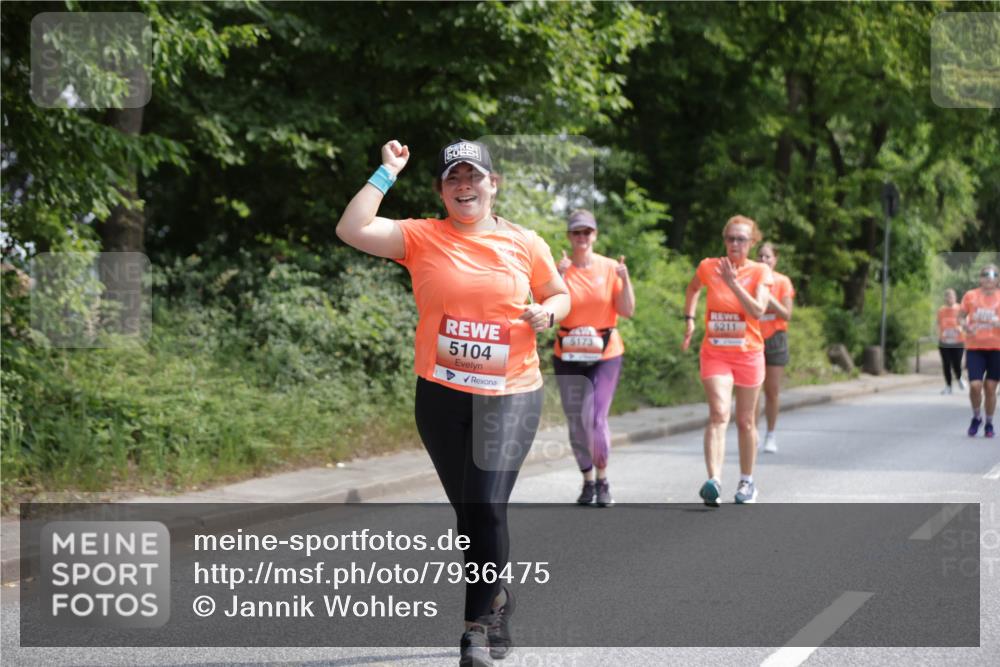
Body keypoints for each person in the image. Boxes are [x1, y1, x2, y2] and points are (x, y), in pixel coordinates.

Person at [336, 138, 570, 666]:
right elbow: (351, 229)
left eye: (474, 176)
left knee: (486, 504)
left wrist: (549, 312)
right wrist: (386, 171)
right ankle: (498, 598)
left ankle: (476, 630)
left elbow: (559, 292)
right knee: (469, 515)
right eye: (453, 179)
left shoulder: (524, 241)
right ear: (442, 189)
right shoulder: (422, 237)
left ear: (494, 184)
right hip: (440, 395)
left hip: (509, 392)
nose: (465, 186)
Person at [681, 215, 773, 505]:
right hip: (716, 351)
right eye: (730, 238)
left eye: (741, 239)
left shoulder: (760, 271)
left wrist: (734, 285)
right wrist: (690, 319)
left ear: (752, 242)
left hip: (748, 354)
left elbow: (758, 311)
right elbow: (693, 288)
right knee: (719, 413)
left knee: (745, 420)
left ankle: (747, 482)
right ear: (725, 240)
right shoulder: (709, 266)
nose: (735, 243)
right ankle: (714, 481)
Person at [553, 209, 635, 507]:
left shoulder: (611, 268)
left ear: (595, 235)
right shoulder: (560, 269)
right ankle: (587, 481)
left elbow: (627, 310)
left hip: (605, 352)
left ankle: (603, 480)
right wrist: (558, 276)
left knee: (596, 417)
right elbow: (548, 312)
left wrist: (626, 281)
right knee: (576, 420)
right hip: (568, 353)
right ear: (569, 237)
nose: (582, 237)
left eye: (587, 232)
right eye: (577, 232)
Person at [754, 242, 794, 453]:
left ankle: (771, 434)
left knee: (772, 390)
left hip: (775, 338)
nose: (763, 260)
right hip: (753, 338)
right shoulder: (751, 278)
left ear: (775, 260)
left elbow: (787, 314)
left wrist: (769, 299)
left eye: (767, 257)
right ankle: (753, 433)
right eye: (760, 256)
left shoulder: (782, 282)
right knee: (752, 390)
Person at [958, 264, 1000, 438]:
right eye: (986, 274)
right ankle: (977, 417)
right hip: (975, 347)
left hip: (997, 348)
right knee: (975, 386)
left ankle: (989, 423)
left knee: (990, 388)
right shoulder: (971, 296)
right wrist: (965, 326)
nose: (989, 277)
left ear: (997, 279)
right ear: (980, 278)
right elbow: (960, 317)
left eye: (993, 274)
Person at [937, 288, 966, 395]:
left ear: (955, 298)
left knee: (956, 363)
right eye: (948, 297)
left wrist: (960, 328)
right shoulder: (941, 310)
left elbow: (965, 322)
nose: (950, 299)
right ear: (945, 298)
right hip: (944, 342)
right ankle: (948, 386)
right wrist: (939, 335)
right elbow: (938, 324)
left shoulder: (960, 309)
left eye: (952, 297)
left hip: (958, 341)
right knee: (946, 364)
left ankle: (959, 378)